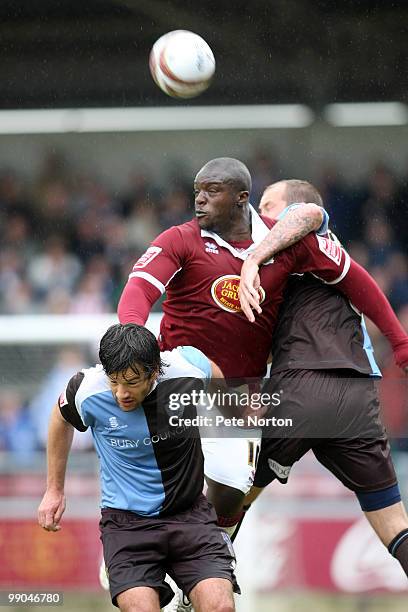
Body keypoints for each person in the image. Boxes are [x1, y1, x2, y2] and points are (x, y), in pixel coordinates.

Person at [118, 157, 328, 534]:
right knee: (172, 485)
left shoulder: (281, 247)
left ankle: (213, 551)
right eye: (197, 191)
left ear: (240, 198)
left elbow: (326, 238)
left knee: (231, 489)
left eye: (211, 192)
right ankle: (135, 541)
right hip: (179, 381)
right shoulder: (180, 239)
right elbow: (138, 290)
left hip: (238, 394)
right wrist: (133, 335)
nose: (199, 200)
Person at [237, 179, 408, 577]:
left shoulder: (307, 238)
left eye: (267, 205)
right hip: (356, 398)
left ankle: (193, 588)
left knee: (232, 498)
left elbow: (307, 214)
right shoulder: (306, 259)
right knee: (394, 524)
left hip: (301, 387)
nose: (258, 214)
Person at [37, 323, 239, 612]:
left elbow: (216, 377)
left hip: (190, 516)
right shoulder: (86, 389)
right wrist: (54, 490)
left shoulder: (187, 368)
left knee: (221, 607)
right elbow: (60, 419)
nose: (121, 393)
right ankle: (113, 560)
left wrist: (236, 415)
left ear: (154, 371)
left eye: (131, 382)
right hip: (127, 525)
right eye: (114, 381)